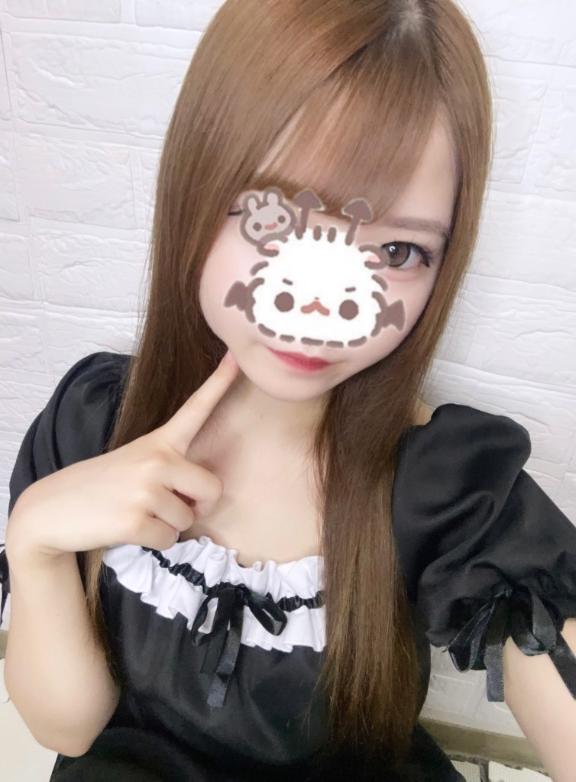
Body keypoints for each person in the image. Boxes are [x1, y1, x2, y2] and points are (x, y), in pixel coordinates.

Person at [1, 1, 576, 780]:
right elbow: (68, 730)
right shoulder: (96, 420)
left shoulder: (446, 488)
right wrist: (36, 538)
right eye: (271, 219)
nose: (319, 307)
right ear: (194, 189)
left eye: (397, 251)